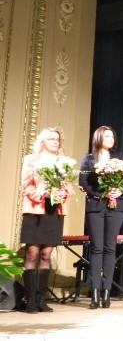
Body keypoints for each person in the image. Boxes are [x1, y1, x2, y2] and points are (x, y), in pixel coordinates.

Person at [20, 127, 75, 313]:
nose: (55, 142)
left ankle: (41, 298)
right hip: (35, 210)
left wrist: (62, 193)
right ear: (42, 141)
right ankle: (30, 299)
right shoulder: (31, 160)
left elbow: (69, 187)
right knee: (32, 253)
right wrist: (41, 193)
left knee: (46, 254)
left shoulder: (63, 162)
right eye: (51, 139)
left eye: (57, 139)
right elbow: (26, 186)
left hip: (54, 210)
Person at [78, 126, 123, 309]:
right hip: (96, 206)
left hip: (116, 206)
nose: (111, 139)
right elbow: (83, 183)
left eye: (112, 136)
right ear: (98, 137)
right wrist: (101, 194)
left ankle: (106, 292)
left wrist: (119, 191)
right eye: (107, 136)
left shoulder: (119, 158)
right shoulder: (89, 159)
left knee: (110, 247)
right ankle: (95, 293)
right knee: (97, 248)